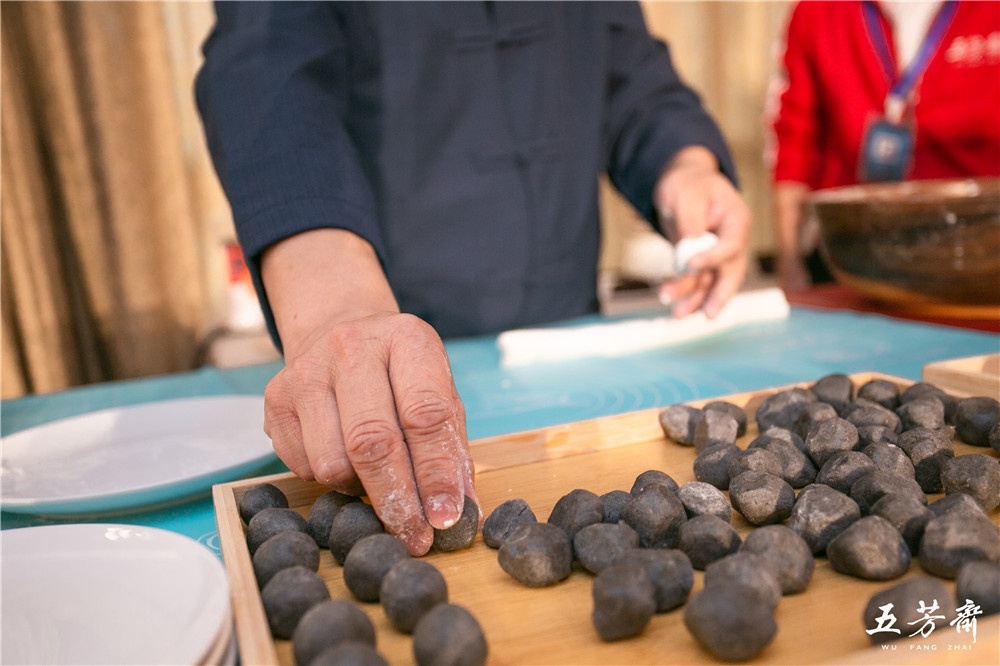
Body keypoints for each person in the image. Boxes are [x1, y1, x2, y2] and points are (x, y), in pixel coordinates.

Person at [196, 1, 751, 555]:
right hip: (391, 322)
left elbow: (629, 70)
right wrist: (336, 307)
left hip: (565, 340)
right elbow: (266, 66)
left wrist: (683, 165)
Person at [769, 0, 1000, 292]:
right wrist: (790, 263)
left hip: (981, 250)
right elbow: (792, 144)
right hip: (854, 255)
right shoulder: (817, 11)